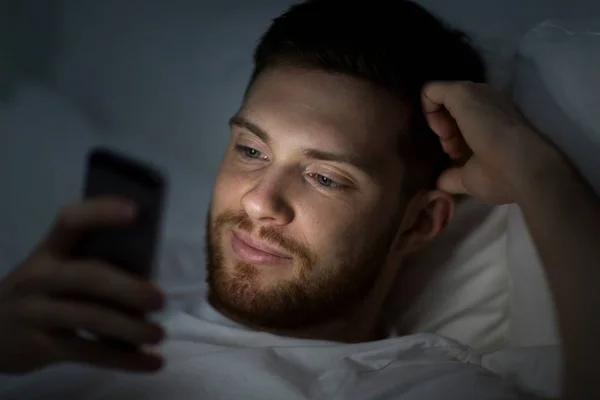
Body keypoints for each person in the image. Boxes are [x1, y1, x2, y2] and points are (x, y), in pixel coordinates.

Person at [0, 0, 598, 399]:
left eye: (325, 178)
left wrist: (537, 173)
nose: (261, 204)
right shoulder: (124, 288)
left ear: (418, 225)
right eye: (252, 151)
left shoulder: (418, 385)